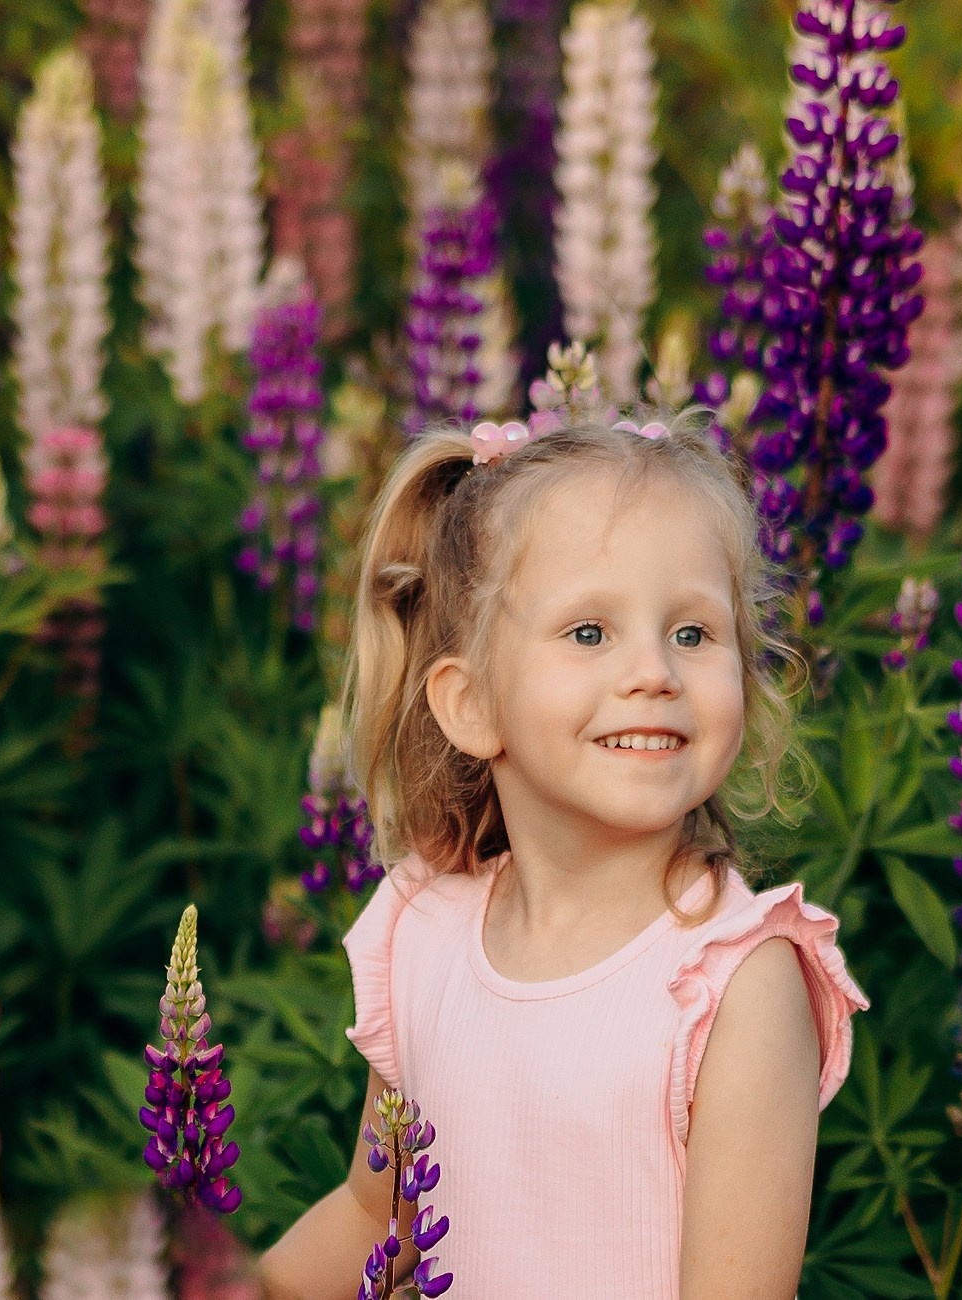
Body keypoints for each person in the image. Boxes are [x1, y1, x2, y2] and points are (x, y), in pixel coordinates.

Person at [258, 406, 870, 1300]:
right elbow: (373, 1215)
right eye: (590, 632)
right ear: (471, 706)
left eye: (693, 633)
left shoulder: (737, 984)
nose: (654, 671)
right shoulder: (427, 932)